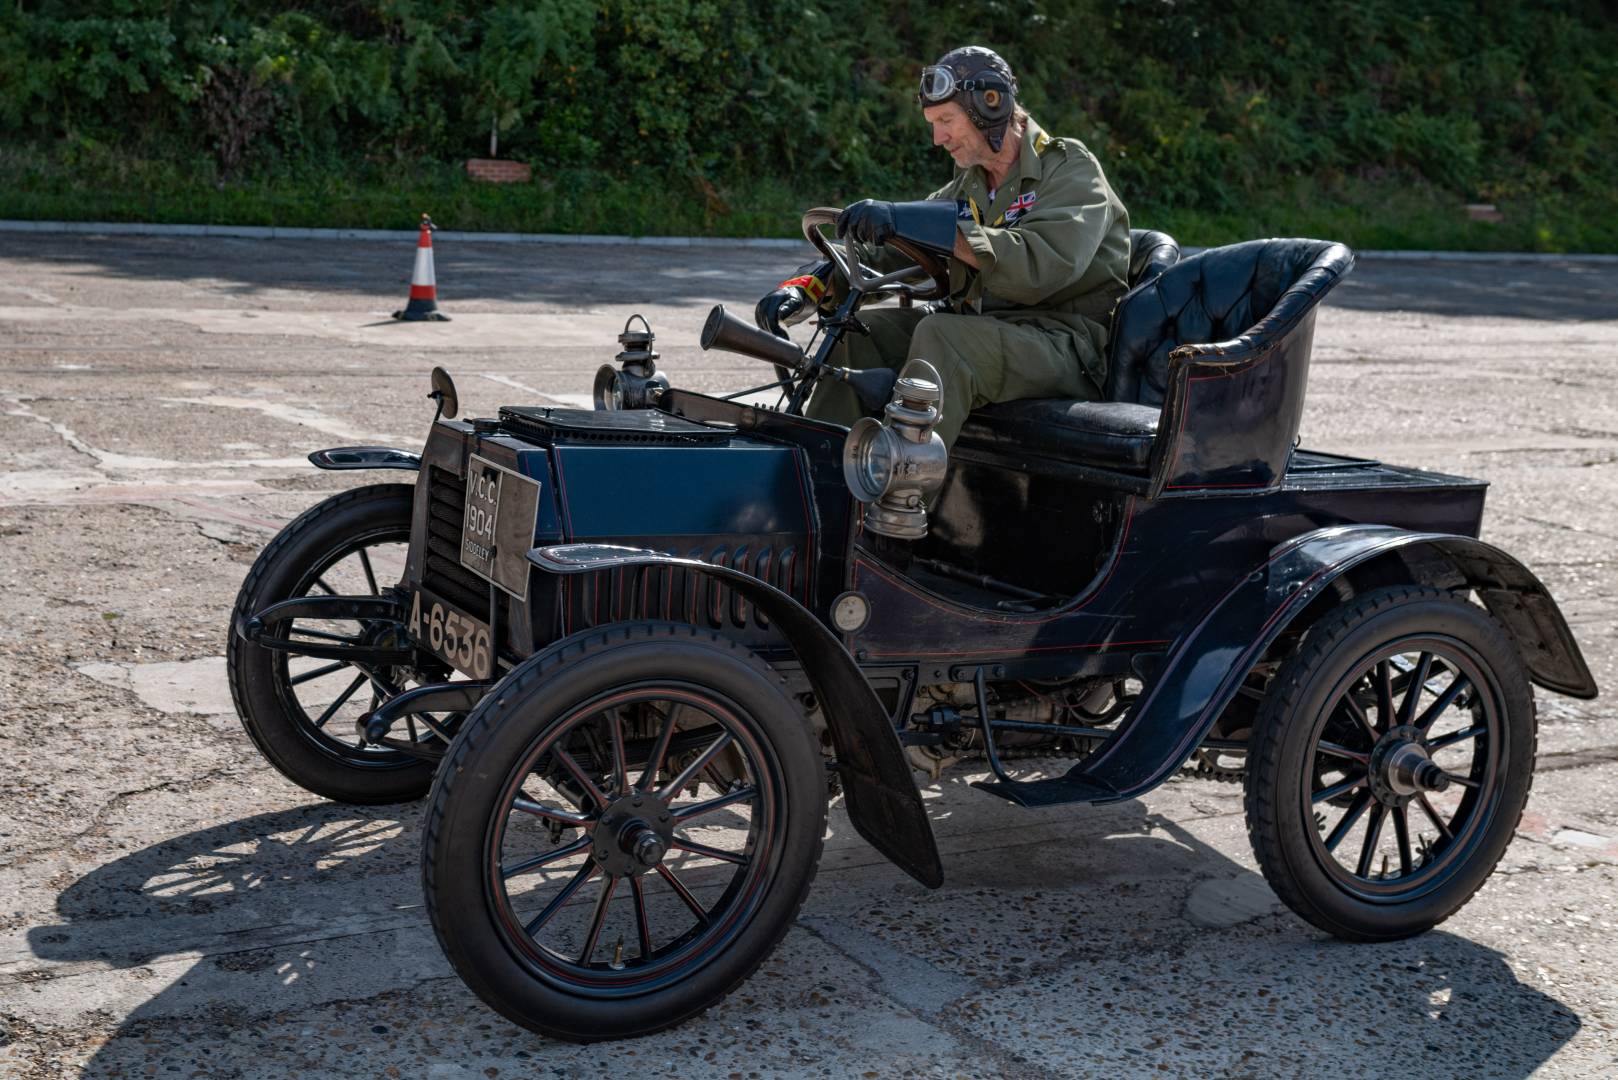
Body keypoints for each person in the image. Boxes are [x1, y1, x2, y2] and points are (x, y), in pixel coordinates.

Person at [755, 45, 1130, 448]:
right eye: (933, 123)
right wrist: (807, 286)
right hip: (988, 330)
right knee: (861, 332)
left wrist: (948, 233)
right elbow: (889, 252)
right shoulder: (969, 183)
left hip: (1062, 344)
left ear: (990, 106)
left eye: (946, 120)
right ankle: (816, 481)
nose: (938, 138)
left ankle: (898, 498)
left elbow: (1041, 267)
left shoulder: (1070, 167)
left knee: (943, 335)